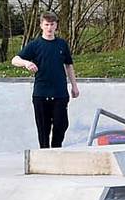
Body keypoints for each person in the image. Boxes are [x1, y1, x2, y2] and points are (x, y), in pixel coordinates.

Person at [12, 13, 79, 149]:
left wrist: (74, 86)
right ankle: (44, 152)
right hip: (41, 93)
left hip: (60, 92)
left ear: (56, 26)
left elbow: (69, 65)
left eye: (52, 25)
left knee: (61, 124)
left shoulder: (61, 44)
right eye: (46, 25)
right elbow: (15, 60)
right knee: (43, 129)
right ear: (41, 26)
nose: (49, 28)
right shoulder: (35, 45)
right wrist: (26, 63)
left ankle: (56, 149)